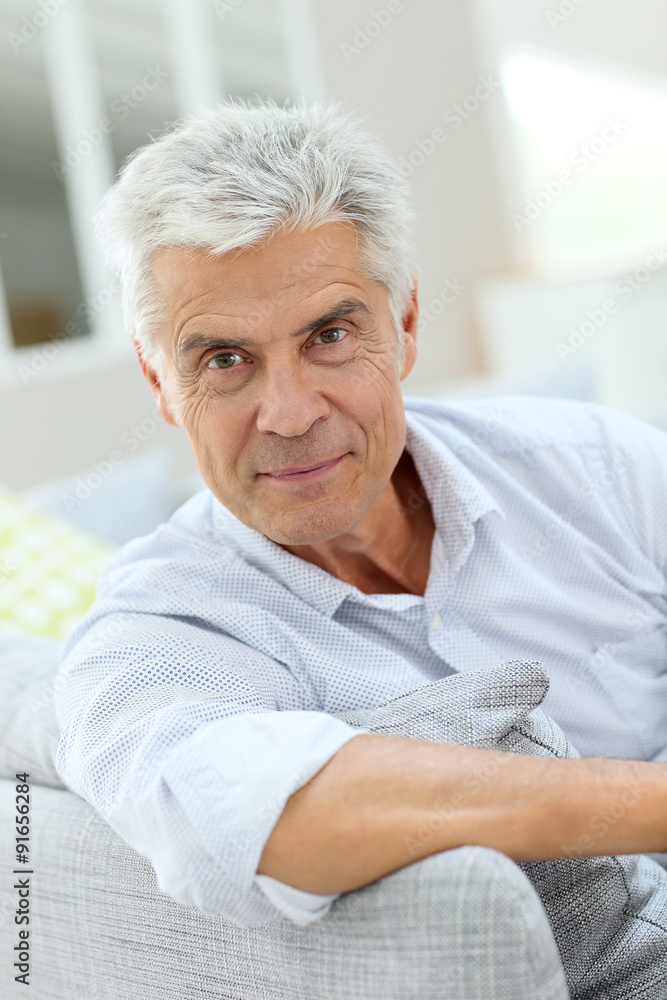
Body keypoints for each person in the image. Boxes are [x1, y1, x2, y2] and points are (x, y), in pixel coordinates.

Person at [54, 97, 667, 934]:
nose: (289, 412)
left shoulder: (597, 466)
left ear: (404, 322)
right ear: (160, 382)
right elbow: (272, 817)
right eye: (225, 360)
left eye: (330, 336)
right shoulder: (158, 632)